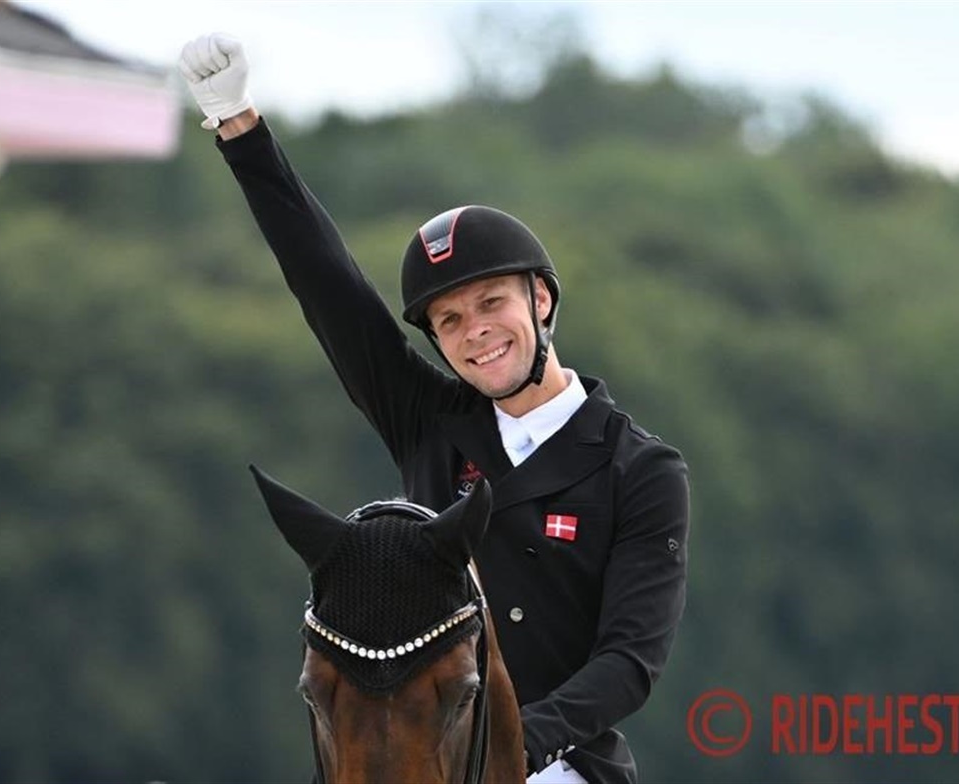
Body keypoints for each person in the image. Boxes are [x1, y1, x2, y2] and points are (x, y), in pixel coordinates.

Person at [179, 33, 690, 784]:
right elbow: (328, 285)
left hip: (555, 765)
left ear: (540, 299)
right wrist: (241, 129)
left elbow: (629, 661)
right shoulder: (428, 420)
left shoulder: (638, 470)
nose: (474, 331)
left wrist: (511, 748)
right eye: (449, 321)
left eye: (491, 304)